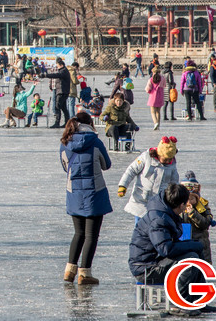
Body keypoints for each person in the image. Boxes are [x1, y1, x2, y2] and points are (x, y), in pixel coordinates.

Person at [129, 184, 213, 316]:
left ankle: (197, 299)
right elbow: (165, 249)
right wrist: (193, 245)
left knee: (195, 252)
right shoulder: (159, 219)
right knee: (190, 260)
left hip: (155, 260)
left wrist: (194, 245)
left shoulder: (165, 211)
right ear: (181, 205)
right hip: (145, 269)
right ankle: (179, 304)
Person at [60, 113, 111, 285]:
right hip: (94, 193)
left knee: (79, 233)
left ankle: (69, 270)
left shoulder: (65, 143)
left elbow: (65, 166)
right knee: (91, 235)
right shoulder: (95, 142)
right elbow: (107, 164)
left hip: (74, 193)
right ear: (90, 123)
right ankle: (84, 274)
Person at [117, 136, 179, 218]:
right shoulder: (146, 157)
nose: (167, 162)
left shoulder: (172, 165)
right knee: (140, 226)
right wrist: (123, 185)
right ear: (159, 154)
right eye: (165, 159)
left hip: (159, 203)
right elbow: (131, 170)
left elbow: (174, 184)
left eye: (169, 159)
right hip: (141, 200)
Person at [179, 171, 214, 263]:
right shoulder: (178, 208)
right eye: (187, 199)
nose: (189, 202)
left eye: (192, 199)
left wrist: (193, 213)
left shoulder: (202, 207)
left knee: (200, 268)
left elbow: (205, 224)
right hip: (184, 244)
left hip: (200, 244)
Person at [44, 58, 71, 128]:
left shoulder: (64, 71)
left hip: (62, 91)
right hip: (62, 91)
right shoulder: (63, 70)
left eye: (58, 66)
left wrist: (46, 75)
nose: (57, 67)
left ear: (61, 65)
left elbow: (57, 75)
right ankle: (67, 122)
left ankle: (57, 123)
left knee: (57, 106)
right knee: (63, 107)